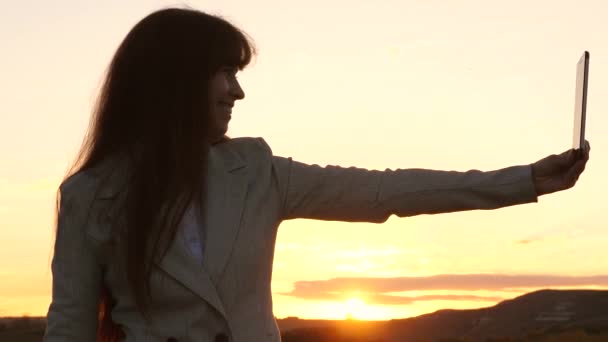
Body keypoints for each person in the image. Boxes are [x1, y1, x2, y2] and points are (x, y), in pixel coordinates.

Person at [43, 6, 590, 342]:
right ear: (174, 79)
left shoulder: (254, 170)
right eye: (226, 73)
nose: (238, 91)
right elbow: (68, 330)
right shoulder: (90, 195)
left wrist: (524, 181)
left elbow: (386, 189)